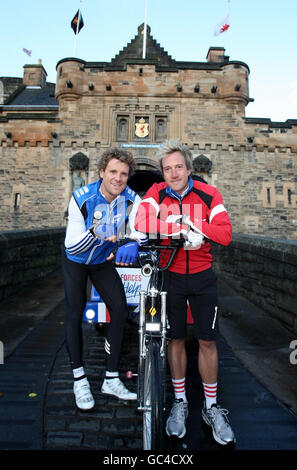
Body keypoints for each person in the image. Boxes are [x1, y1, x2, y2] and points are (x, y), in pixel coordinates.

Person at [134, 139, 235, 445]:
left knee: (207, 340)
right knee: (175, 338)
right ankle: (180, 401)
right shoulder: (156, 193)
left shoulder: (208, 193)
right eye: (167, 169)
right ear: (162, 173)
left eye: (179, 167)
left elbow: (226, 233)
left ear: (189, 168)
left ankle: (211, 406)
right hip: (171, 277)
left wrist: (196, 225)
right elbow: (141, 220)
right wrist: (173, 227)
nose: (174, 173)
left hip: (203, 278)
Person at [62, 147, 146, 410]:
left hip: (101, 263)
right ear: (101, 173)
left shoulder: (133, 200)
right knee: (75, 312)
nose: (118, 178)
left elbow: (142, 229)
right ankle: (79, 378)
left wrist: (132, 241)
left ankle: (111, 377)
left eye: (123, 174)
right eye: (112, 172)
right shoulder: (81, 198)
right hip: (75, 262)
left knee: (120, 311)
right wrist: (97, 233)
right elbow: (72, 245)